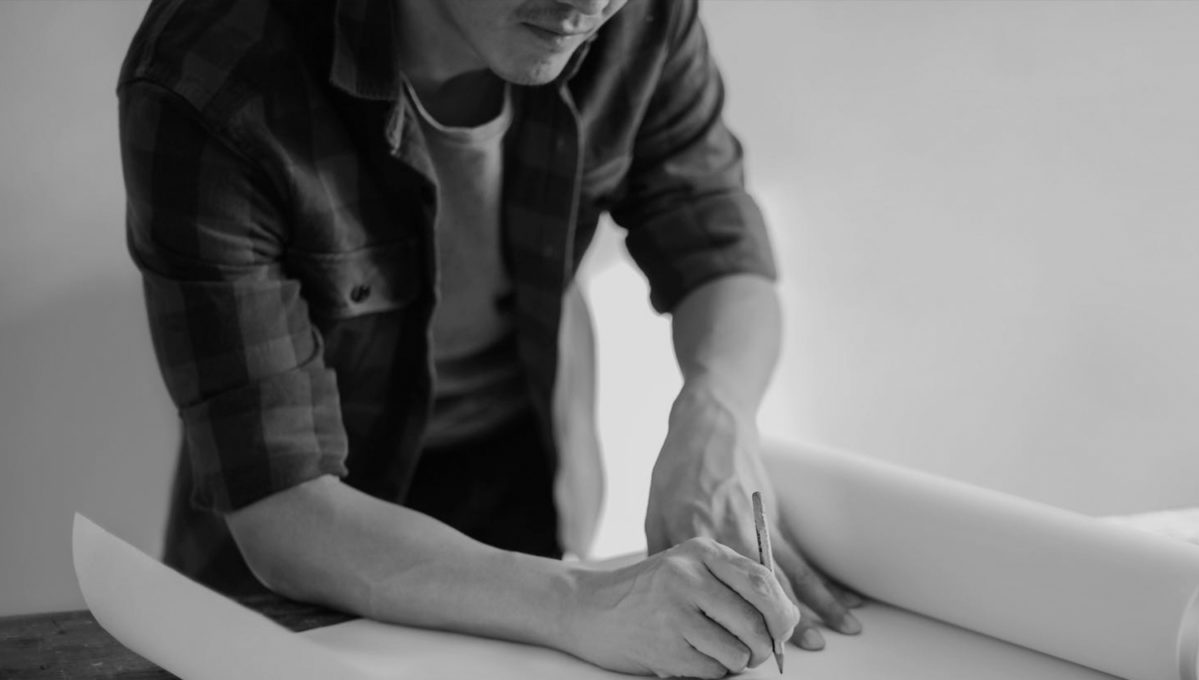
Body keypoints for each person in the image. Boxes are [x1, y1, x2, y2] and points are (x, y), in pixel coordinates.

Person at [118, 0, 861, 676]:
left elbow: (718, 248)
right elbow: (283, 508)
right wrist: (585, 602)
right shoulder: (210, 69)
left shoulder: (642, 15)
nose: (587, 6)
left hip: (521, 483)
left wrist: (714, 413)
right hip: (298, 570)